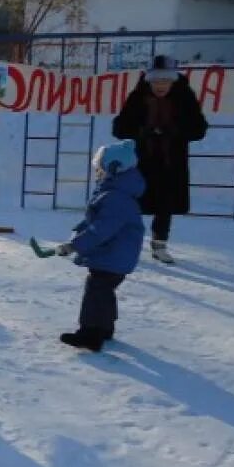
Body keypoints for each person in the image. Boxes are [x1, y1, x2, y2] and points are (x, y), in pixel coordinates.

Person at [112, 54, 208, 264]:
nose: (161, 86)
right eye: (156, 81)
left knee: (165, 204)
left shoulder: (184, 97)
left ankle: (159, 245)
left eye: (165, 81)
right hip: (140, 161)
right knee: (131, 203)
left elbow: (199, 129)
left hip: (170, 161)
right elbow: (119, 128)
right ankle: (126, 241)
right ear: (150, 80)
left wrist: (174, 131)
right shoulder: (138, 97)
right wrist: (142, 131)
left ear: (173, 80)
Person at [53, 139, 145, 352]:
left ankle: (90, 335)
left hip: (113, 256)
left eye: (101, 167)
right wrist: (76, 236)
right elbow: (94, 221)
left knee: (96, 289)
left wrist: (76, 245)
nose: (98, 171)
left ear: (114, 169)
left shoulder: (116, 197)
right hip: (113, 255)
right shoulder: (112, 191)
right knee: (103, 290)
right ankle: (104, 328)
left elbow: (102, 229)